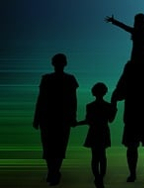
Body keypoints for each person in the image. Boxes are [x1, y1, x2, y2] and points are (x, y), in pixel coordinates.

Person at [33, 53, 79, 186]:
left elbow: (72, 100)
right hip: (53, 117)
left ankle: (53, 171)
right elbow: (41, 99)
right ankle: (53, 171)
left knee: (54, 145)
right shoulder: (52, 79)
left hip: (55, 117)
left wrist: (36, 118)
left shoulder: (54, 79)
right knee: (54, 145)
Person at [76, 82, 117, 188]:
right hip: (103, 131)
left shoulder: (90, 106)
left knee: (95, 156)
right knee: (102, 156)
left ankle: (98, 177)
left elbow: (88, 121)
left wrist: (77, 123)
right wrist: (114, 109)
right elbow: (111, 120)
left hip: (94, 131)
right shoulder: (108, 106)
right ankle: (100, 178)